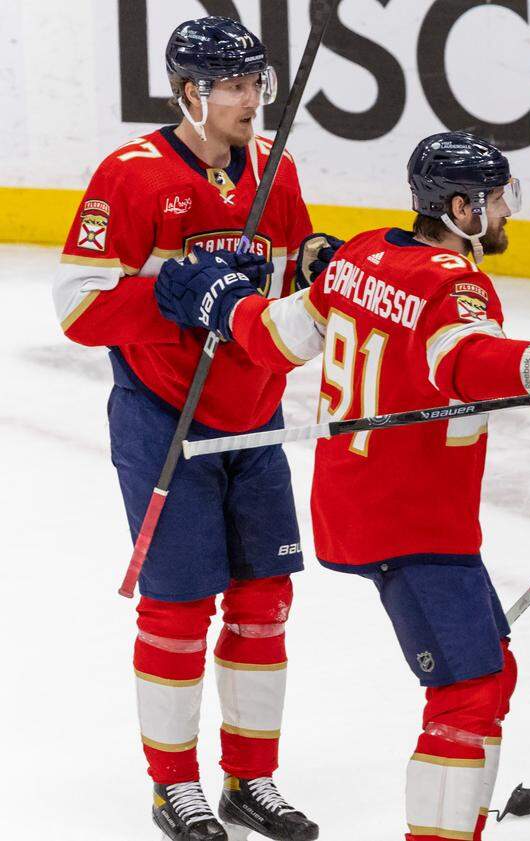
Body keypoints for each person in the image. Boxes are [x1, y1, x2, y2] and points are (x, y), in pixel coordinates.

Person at [151, 130, 530, 841]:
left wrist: (220, 299)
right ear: (459, 206)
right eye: (494, 199)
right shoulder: (456, 283)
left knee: (493, 669)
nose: (505, 211)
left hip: (355, 506)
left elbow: (276, 338)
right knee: (467, 692)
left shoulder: (359, 254)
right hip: (413, 520)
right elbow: (464, 360)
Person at [51, 16, 320, 841]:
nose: (249, 101)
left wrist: (317, 263)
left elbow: (294, 260)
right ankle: (175, 787)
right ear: (189, 92)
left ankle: (251, 777)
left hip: (255, 417)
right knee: (176, 608)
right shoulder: (130, 176)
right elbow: (77, 305)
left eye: (255, 84)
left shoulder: (276, 170)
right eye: (232, 86)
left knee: (264, 601)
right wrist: (170, 296)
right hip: (164, 420)